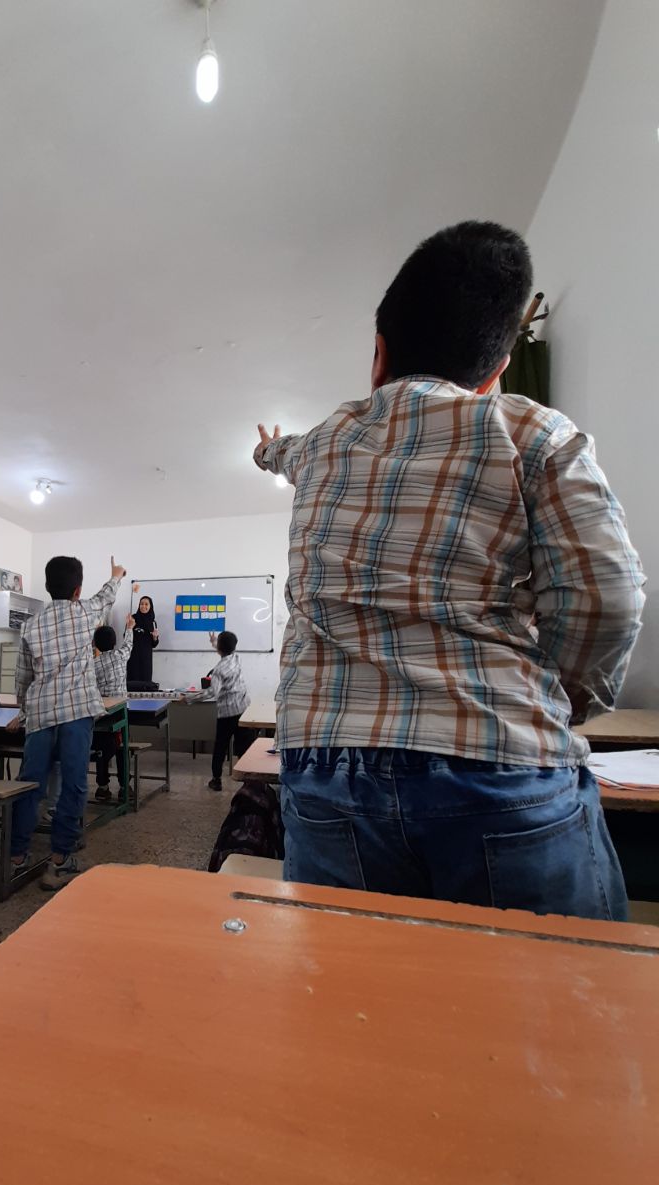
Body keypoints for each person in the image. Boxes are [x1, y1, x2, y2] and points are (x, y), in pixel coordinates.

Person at [254, 220, 644, 920]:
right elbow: (605, 599)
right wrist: (562, 697)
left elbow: (280, 453)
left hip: (326, 763)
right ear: (496, 374)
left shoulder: (320, 445)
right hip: (496, 758)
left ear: (378, 354)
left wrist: (265, 451)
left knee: (349, 1005)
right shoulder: (532, 434)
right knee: (560, 1006)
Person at [8, 555, 126, 889]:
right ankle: (59, 861)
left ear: (47, 587)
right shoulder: (86, 611)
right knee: (74, 784)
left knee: (30, 783)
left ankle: (17, 856)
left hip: (41, 714)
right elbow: (107, 595)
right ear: (78, 589)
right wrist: (116, 574)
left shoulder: (30, 625)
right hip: (76, 713)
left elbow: (22, 679)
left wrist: (24, 710)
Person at [185, 631, 252, 791]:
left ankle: (216, 780)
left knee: (220, 747)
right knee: (244, 746)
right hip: (243, 709)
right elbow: (226, 650)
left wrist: (189, 698)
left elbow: (211, 692)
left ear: (220, 648)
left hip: (227, 713)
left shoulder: (219, 670)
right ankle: (249, 781)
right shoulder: (237, 658)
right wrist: (215, 642)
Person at [92, 616, 134, 802]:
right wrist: (129, 627)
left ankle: (102, 786)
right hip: (119, 712)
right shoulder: (120, 657)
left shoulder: (93, 665)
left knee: (102, 750)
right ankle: (125, 787)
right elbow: (129, 645)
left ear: (96, 644)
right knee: (122, 748)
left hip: (100, 713)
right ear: (114, 642)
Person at [126, 588, 159, 688]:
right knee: (132, 684)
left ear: (150, 606)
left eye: (146, 604)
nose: (143, 606)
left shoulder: (153, 622)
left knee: (145, 685)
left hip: (146, 659)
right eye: (141, 604)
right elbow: (125, 637)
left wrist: (155, 638)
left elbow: (154, 644)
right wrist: (129, 627)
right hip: (133, 657)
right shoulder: (133, 618)